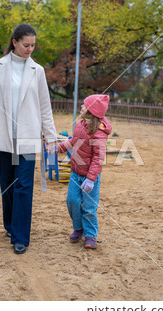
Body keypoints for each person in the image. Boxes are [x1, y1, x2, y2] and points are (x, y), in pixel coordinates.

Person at [0, 24, 57, 254]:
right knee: (8, 186)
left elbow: (44, 107)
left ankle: (21, 237)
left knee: (24, 186)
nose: (30, 49)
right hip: (4, 138)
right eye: (26, 45)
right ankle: (10, 225)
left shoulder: (37, 71)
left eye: (33, 45)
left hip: (29, 138)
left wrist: (51, 137)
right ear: (14, 42)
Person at [56, 95, 111, 249]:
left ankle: (90, 235)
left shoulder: (100, 133)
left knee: (89, 207)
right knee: (72, 201)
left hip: (90, 177)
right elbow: (74, 141)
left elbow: (98, 158)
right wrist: (60, 147)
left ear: (91, 111)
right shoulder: (80, 124)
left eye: (84, 105)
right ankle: (78, 227)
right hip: (75, 173)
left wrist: (91, 179)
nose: (81, 106)